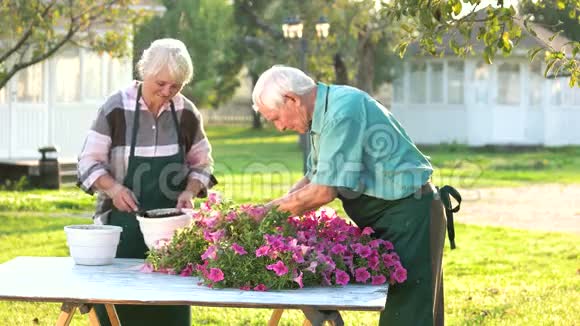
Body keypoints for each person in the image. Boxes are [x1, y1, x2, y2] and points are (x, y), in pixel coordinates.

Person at [252, 65, 460, 326]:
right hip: (393, 218)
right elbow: (311, 179)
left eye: (276, 118)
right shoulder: (322, 116)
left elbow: (322, 191)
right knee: (404, 312)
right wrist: (269, 211)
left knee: (408, 316)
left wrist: (262, 215)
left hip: (411, 217)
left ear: (292, 99)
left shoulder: (343, 112)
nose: (279, 127)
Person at [77, 38, 217, 326]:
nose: (167, 92)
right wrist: (113, 188)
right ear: (144, 73)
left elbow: (202, 164)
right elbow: (87, 162)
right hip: (121, 229)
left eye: (176, 86)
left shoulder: (186, 112)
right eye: (160, 83)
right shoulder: (116, 108)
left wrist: (190, 191)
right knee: (119, 311)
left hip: (172, 236)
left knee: (169, 312)